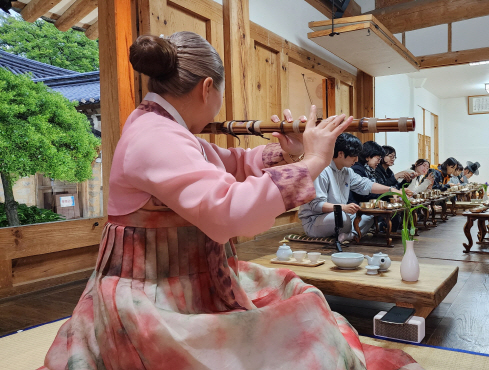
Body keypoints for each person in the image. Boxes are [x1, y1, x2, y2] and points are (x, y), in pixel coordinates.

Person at [40, 32, 420, 370]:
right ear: (208, 88)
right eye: (220, 94)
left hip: (195, 278)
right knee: (301, 330)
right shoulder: (155, 136)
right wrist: (314, 161)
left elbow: (235, 163)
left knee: (301, 296)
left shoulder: (166, 128)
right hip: (154, 293)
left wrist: (288, 153)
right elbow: (229, 214)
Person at [299, 133, 404, 243]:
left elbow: (365, 184)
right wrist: (343, 207)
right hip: (315, 220)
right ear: (340, 153)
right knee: (343, 219)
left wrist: (391, 190)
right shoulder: (322, 170)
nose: (357, 159)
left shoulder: (347, 171)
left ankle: (350, 235)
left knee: (371, 215)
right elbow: (317, 205)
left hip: (341, 213)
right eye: (354, 155)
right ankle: (351, 233)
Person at [348, 140, 384, 205]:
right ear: (367, 157)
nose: (379, 162)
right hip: (358, 208)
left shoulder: (371, 170)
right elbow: (363, 193)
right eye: (378, 159)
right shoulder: (357, 169)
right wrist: (386, 194)